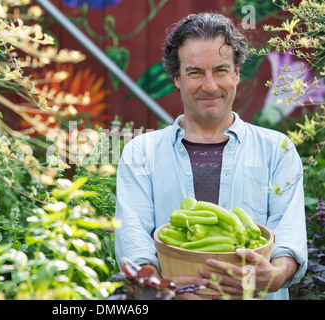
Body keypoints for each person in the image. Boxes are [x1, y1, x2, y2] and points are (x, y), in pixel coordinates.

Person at [114, 12, 307, 300]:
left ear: (237, 72)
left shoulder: (276, 150)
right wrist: (167, 292)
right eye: (195, 72)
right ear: (176, 77)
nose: (210, 86)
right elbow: (133, 241)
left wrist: (274, 276)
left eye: (220, 70)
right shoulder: (140, 153)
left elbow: (288, 235)